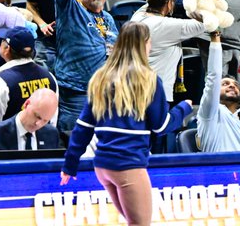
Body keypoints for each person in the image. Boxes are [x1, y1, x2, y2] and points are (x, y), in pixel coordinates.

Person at [60, 22, 191, 226]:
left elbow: (83, 127)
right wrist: (183, 108)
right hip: (127, 164)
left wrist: (70, 164)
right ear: (144, 45)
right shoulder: (148, 79)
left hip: (102, 166)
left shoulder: (100, 77)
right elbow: (161, 126)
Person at [54, 0, 117, 138]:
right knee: (74, 142)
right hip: (76, 94)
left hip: (104, 94)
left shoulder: (108, 18)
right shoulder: (71, 10)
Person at [0, 26, 58, 148]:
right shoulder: (50, 78)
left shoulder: (0, 83)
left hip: (6, 156)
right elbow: (51, 121)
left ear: (6, 48)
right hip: (40, 152)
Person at [195, 30, 240, 152]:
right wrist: (215, 38)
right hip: (217, 169)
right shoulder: (210, 113)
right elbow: (213, 77)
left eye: (235, 85)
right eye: (225, 84)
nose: (232, 86)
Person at [0, 88, 61, 161]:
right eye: (37, 116)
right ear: (26, 104)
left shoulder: (52, 134)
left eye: (45, 121)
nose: (38, 124)